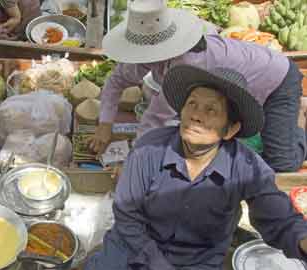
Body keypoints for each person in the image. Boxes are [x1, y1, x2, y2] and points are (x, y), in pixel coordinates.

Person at [76, 64, 307, 270]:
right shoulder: (148, 150)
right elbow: (127, 216)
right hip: (137, 240)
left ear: (230, 130)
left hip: (195, 257)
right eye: (192, 105)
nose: (196, 116)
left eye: (211, 110)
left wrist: (301, 239)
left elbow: (279, 217)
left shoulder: (247, 167)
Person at [89, 0, 305, 172]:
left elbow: (155, 118)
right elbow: (116, 81)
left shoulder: (187, 63)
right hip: (240, 84)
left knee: (281, 162)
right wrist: (105, 125)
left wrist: (134, 163)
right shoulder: (147, 51)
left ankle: (299, 126)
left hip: (278, 78)